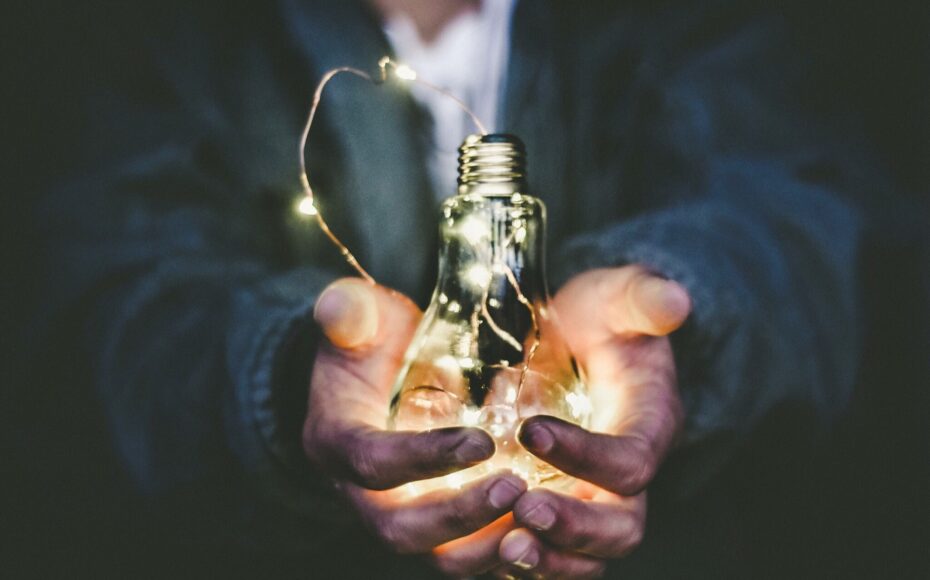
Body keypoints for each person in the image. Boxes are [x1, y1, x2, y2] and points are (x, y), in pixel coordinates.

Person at [31, 0, 900, 577]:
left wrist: (679, 310)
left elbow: (807, 210)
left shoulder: (685, 25)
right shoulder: (183, 39)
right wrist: (287, 372)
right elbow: (97, 289)